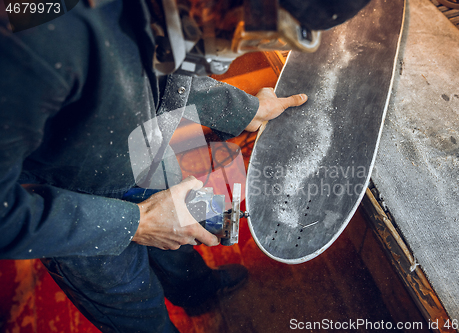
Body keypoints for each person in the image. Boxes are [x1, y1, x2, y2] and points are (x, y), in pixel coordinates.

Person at [0, 0, 369, 331]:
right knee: (134, 305)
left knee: (179, 242)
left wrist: (246, 110)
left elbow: (161, 66)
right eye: (250, 35)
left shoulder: (175, 11)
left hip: (144, 141)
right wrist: (137, 222)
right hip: (76, 201)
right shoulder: (31, 38)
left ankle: (196, 290)